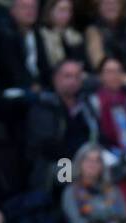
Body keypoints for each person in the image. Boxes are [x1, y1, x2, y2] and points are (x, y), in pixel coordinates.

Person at [24, 58, 98, 192]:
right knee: (70, 177)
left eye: (77, 77)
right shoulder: (44, 105)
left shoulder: (85, 103)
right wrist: (80, 161)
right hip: (56, 162)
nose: (73, 81)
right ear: (56, 79)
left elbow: (96, 132)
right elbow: (48, 146)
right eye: (67, 76)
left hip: (88, 157)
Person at [60, 142, 126, 223]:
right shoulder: (71, 191)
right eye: (88, 160)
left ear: (102, 165)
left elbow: (124, 217)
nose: (93, 164)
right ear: (80, 163)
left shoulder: (114, 190)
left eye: (97, 161)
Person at [88, 56, 126, 162]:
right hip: (106, 157)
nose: (115, 76)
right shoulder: (93, 102)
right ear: (100, 76)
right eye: (109, 72)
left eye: (118, 71)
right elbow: (93, 136)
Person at [84, 0, 126, 87]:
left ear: (121, 6)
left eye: (114, 3)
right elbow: (98, 64)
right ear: (99, 7)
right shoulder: (93, 30)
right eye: (106, 4)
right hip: (105, 83)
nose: (110, 7)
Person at [0, 0, 50, 92]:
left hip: (39, 85)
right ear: (12, 11)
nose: (30, 11)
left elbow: (44, 65)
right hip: (14, 87)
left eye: (33, 7)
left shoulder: (37, 33)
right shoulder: (5, 34)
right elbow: (11, 70)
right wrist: (32, 85)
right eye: (24, 7)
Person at [38, 0, 86, 68]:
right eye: (62, 10)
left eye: (69, 11)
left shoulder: (76, 37)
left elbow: (82, 62)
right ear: (50, 11)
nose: (66, 14)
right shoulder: (40, 35)